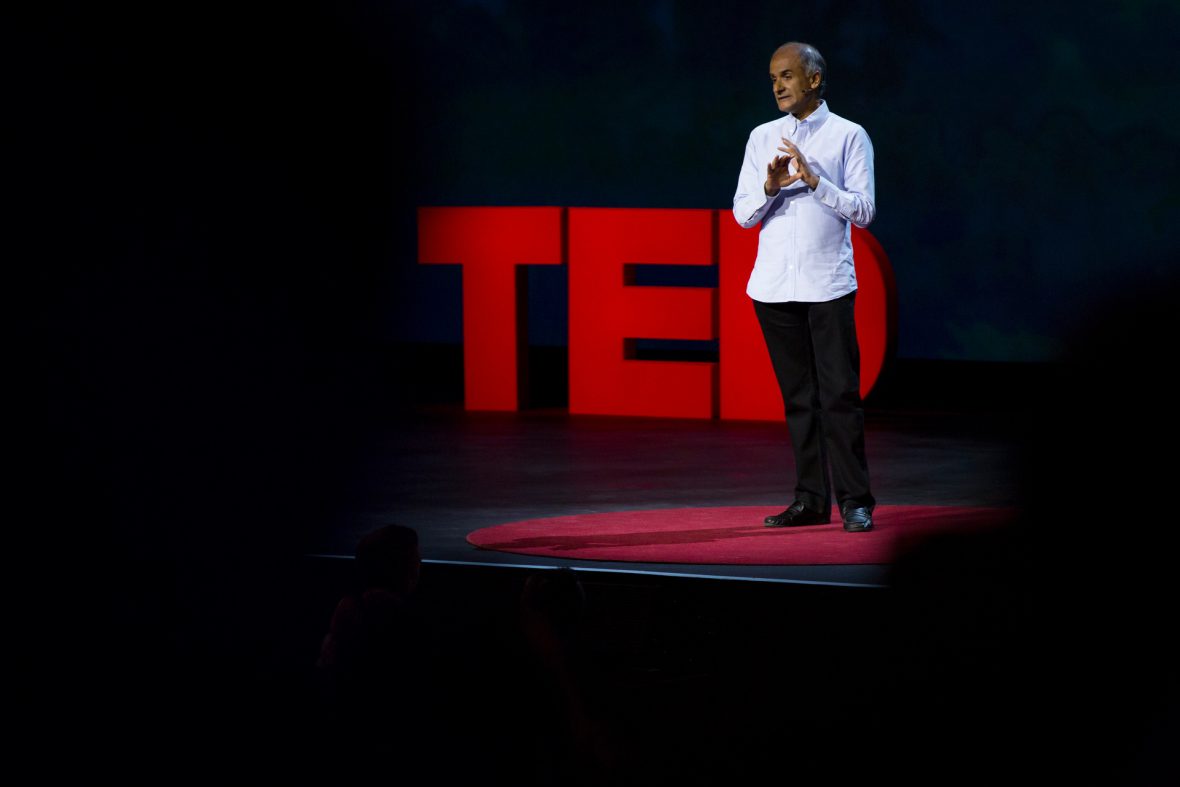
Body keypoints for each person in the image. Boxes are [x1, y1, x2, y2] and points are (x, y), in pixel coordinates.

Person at [732, 41, 877, 532]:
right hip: (773, 288)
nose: (777, 85)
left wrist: (816, 181)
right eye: (773, 77)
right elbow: (743, 215)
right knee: (799, 400)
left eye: (788, 76)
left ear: (814, 79)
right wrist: (772, 187)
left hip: (828, 285)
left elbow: (864, 210)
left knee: (839, 396)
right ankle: (811, 499)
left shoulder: (849, 136)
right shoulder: (761, 138)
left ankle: (855, 501)